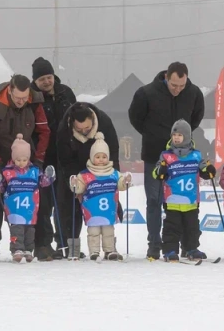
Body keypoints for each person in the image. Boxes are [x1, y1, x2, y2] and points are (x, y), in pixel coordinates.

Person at [128, 62, 205, 260]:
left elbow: (196, 118)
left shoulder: (194, 93)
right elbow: (135, 118)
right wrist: (152, 133)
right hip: (155, 155)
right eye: (174, 85)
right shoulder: (146, 93)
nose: (178, 89)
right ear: (166, 78)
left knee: (185, 203)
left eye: (182, 85)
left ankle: (187, 246)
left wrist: (183, 140)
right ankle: (154, 244)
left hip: (183, 158)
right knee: (154, 201)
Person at [0, 74, 49, 261]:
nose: (21, 101)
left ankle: (33, 246)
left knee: (33, 204)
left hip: (26, 161)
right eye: (17, 98)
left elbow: (44, 132)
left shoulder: (34, 102)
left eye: (24, 98)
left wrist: (38, 159)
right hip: (1, 159)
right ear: (10, 90)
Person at [56, 102, 121, 258]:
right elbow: (65, 161)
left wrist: (113, 178)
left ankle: (110, 247)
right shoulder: (64, 130)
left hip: (101, 168)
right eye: (79, 129)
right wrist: (76, 183)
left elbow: (113, 152)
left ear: (93, 120)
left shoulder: (104, 122)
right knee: (69, 206)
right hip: (75, 168)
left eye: (87, 128)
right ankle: (70, 246)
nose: (84, 132)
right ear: (72, 124)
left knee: (108, 206)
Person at [30, 57, 76, 259]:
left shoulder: (66, 92)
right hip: (43, 157)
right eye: (42, 79)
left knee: (65, 202)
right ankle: (42, 244)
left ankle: (65, 243)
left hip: (65, 156)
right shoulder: (32, 97)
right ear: (35, 81)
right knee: (44, 203)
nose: (47, 82)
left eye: (48, 77)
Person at [151, 120, 216, 262]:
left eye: (180, 135)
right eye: (174, 135)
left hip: (191, 201)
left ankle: (191, 248)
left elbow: (204, 169)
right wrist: (161, 171)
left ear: (187, 137)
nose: (176, 137)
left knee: (192, 228)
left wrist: (208, 170)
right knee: (171, 228)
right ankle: (170, 250)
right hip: (172, 200)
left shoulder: (196, 155)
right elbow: (155, 174)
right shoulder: (166, 156)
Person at [69, 132, 131, 261]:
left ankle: (110, 250)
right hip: (92, 211)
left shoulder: (114, 173)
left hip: (109, 211)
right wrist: (74, 184)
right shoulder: (85, 174)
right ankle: (94, 251)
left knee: (109, 232)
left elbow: (120, 185)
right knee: (93, 232)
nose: (101, 159)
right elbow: (79, 188)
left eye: (104, 156)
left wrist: (125, 181)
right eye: (98, 157)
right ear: (92, 157)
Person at [0, 135, 51, 263]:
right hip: (14, 208)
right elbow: (1, 187)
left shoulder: (34, 171)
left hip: (30, 208)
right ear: (14, 158)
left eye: (24, 159)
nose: (21, 162)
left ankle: (28, 249)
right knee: (17, 229)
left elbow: (43, 182)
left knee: (30, 230)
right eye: (18, 159)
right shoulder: (8, 171)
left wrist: (49, 177)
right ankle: (16, 249)